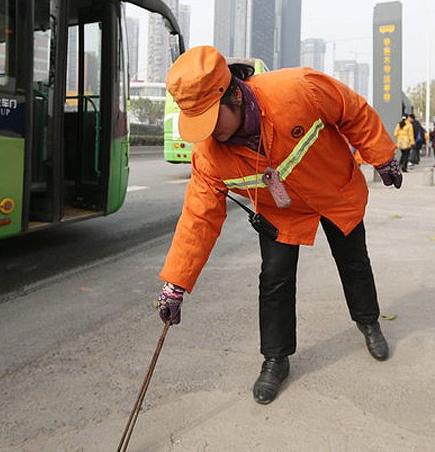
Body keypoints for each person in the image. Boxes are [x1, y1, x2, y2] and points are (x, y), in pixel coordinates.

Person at [156, 46, 403, 405]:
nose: (208, 133)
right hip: (280, 211)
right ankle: (275, 359)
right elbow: (199, 217)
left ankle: (369, 322)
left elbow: (353, 111)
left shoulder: (299, 89)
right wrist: (175, 284)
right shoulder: (209, 154)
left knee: (353, 262)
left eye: (211, 119)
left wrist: (381, 155)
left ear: (235, 95)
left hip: (333, 188)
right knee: (274, 279)